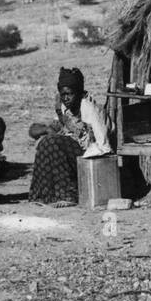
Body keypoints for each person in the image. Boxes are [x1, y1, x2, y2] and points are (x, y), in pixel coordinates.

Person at [29, 67, 110, 204]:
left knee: (53, 142)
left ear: (78, 93)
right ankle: (43, 195)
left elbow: (103, 145)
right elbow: (43, 129)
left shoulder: (89, 109)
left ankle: (69, 194)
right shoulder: (63, 108)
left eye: (70, 94)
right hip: (74, 152)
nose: (66, 98)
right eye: (63, 94)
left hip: (89, 156)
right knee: (44, 143)